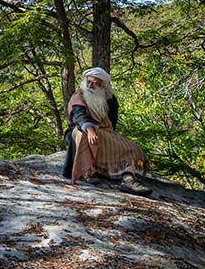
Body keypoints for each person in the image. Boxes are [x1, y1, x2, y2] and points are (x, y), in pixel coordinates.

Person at [62, 67, 151, 196]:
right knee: (84, 136)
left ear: (102, 85)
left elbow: (112, 123)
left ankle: (128, 179)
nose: (91, 85)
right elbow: (79, 116)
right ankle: (87, 171)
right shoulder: (79, 96)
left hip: (105, 132)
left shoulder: (110, 99)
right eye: (89, 82)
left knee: (132, 148)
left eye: (95, 83)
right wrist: (90, 130)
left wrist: (113, 139)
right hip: (81, 129)